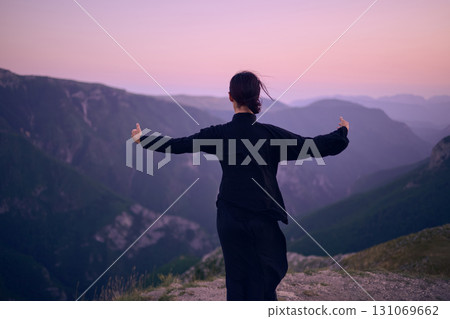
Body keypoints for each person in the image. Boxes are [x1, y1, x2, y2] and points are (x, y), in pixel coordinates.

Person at [131, 71, 349, 301]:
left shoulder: (217, 134)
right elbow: (313, 146)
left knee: (236, 278)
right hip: (262, 215)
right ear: (257, 97)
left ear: (230, 97)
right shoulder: (270, 134)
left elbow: (177, 145)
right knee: (264, 277)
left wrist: (143, 139)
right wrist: (341, 132)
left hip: (229, 214)